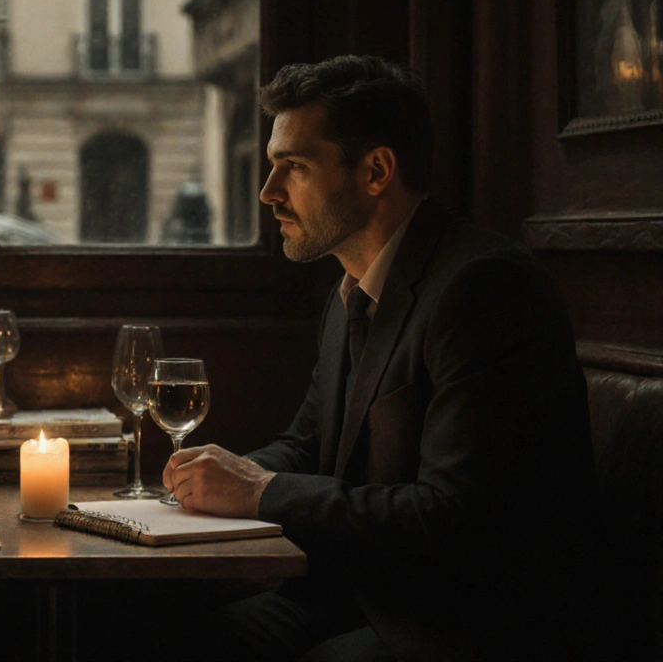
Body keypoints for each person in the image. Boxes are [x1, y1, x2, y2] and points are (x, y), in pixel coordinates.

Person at [162, 56, 596, 660]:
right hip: (361, 591)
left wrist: (259, 490)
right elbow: (310, 445)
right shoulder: (351, 291)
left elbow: (453, 520)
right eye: (271, 167)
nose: (269, 193)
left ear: (376, 171)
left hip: (461, 618)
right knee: (180, 623)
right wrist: (198, 487)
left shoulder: (484, 288)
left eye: (294, 167)